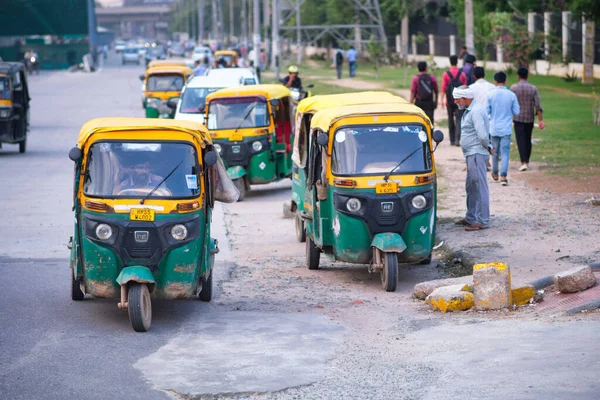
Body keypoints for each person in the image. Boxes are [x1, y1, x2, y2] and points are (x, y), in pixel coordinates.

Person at [453, 86, 492, 231]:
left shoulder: (475, 111)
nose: (455, 102)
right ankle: (471, 217)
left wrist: (488, 148)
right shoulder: (470, 110)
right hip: (471, 154)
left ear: (464, 98)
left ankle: (482, 220)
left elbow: (482, 136)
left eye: (457, 99)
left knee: (480, 186)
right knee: (471, 186)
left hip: (476, 153)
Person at [487, 71, 520, 186]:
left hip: (494, 127)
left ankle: (495, 173)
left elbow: (486, 111)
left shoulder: (490, 94)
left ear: (495, 81)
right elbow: (517, 111)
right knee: (505, 152)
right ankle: (503, 176)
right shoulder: (511, 95)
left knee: (494, 151)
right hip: (506, 128)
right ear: (506, 81)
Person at [511, 67, 544, 171]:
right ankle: (527, 161)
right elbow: (538, 106)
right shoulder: (533, 88)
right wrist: (541, 120)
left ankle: (523, 162)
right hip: (529, 118)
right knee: (528, 139)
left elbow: (510, 104)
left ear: (518, 76)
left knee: (520, 139)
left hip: (518, 118)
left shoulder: (514, 88)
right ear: (527, 76)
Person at [441, 55, 467, 146]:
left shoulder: (446, 74)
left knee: (450, 119)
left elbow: (443, 88)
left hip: (449, 101)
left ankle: (452, 140)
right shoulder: (462, 74)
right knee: (459, 119)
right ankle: (457, 139)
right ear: (457, 62)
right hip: (459, 101)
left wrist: (442, 100)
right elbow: (465, 88)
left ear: (450, 62)